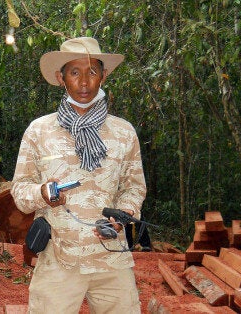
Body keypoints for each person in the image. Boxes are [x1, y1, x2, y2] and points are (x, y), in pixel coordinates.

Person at [10, 37, 147, 314]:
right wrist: (42, 194)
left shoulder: (123, 132)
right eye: (75, 72)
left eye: (92, 72)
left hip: (112, 260)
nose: (84, 82)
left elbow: (134, 188)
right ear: (61, 78)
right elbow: (20, 191)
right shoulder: (39, 131)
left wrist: (122, 216)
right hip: (59, 260)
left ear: (103, 75)